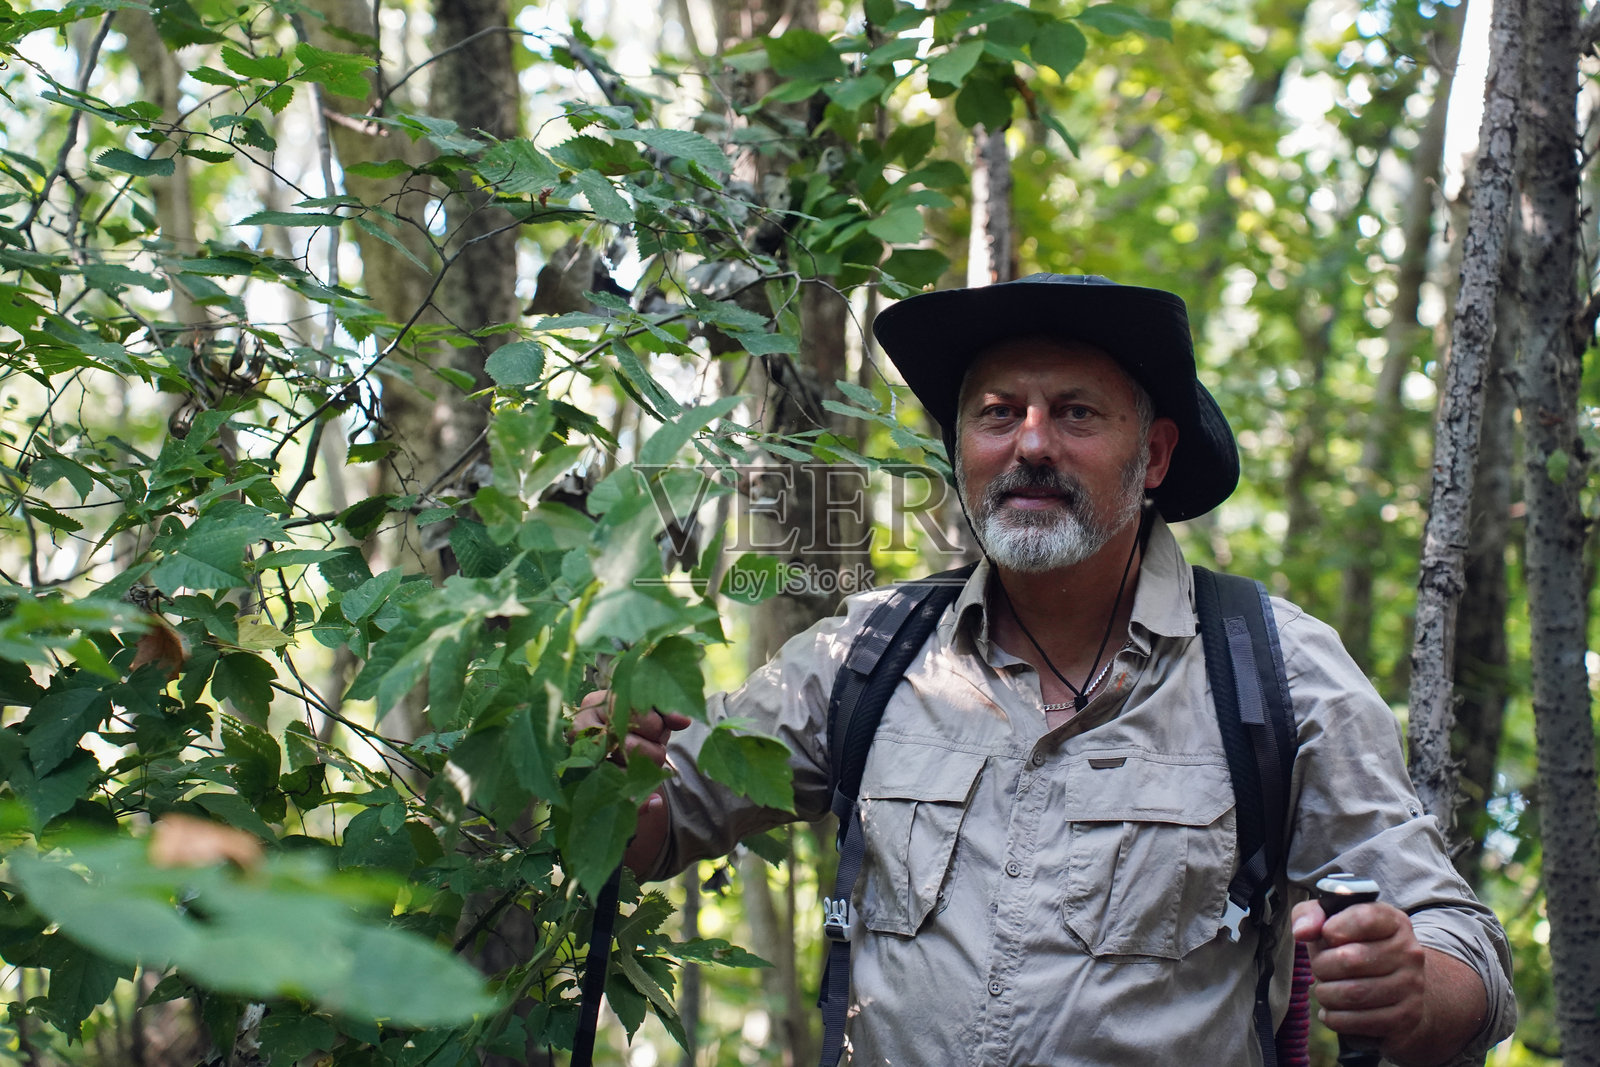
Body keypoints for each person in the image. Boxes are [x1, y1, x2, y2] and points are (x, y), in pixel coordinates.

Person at [575, 274, 1516, 1065]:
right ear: (961, 452)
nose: (1029, 443)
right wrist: (608, 768)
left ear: (1151, 456)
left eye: (1073, 413)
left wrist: (1409, 986)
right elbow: (654, 827)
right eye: (997, 414)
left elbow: (1467, 957)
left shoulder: (1276, 668)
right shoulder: (866, 653)